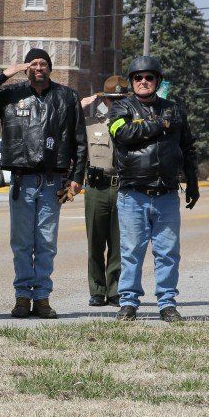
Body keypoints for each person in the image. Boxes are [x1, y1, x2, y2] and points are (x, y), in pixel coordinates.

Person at [0, 48, 86, 319]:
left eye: (44, 63)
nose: (39, 67)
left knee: (46, 242)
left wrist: (76, 180)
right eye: (34, 63)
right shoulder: (11, 95)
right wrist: (4, 74)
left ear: (50, 68)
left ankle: (43, 298)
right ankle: (23, 297)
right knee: (22, 243)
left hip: (54, 182)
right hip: (22, 181)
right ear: (26, 67)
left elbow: (80, 142)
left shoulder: (67, 97)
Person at [107, 55, 198, 323]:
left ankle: (167, 303)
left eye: (149, 77)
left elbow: (188, 148)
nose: (143, 81)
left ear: (157, 81)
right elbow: (122, 134)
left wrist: (192, 182)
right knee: (132, 251)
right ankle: (128, 303)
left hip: (167, 193)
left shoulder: (175, 110)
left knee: (168, 252)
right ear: (132, 81)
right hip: (133, 193)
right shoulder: (120, 108)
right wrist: (159, 124)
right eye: (138, 77)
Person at [80, 75, 129, 308]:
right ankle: (97, 290)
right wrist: (77, 107)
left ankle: (115, 289)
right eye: (111, 99)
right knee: (95, 242)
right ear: (104, 100)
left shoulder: (132, 126)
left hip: (123, 187)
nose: (115, 103)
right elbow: (65, 125)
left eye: (120, 99)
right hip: (97, 187)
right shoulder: (91, 124)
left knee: (119, 244)